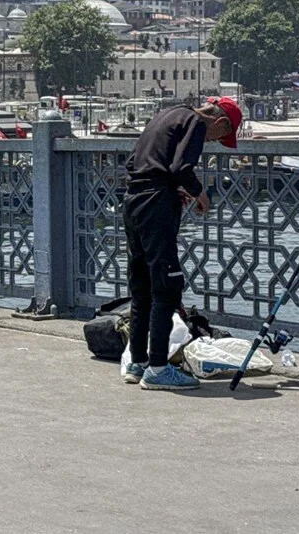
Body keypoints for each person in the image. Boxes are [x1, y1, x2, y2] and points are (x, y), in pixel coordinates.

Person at [122, 97, 242, 390]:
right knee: (166, 285)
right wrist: (200, 193)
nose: (213, 141)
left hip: (134, 201)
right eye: (220, 137)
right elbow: (180, 167)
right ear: (221, 122)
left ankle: (138, 363)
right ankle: (158, 369)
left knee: (141, 286)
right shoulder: (196, 124)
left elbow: (134, 162)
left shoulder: (167, 114)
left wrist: (168, 189)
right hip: (154, 206)